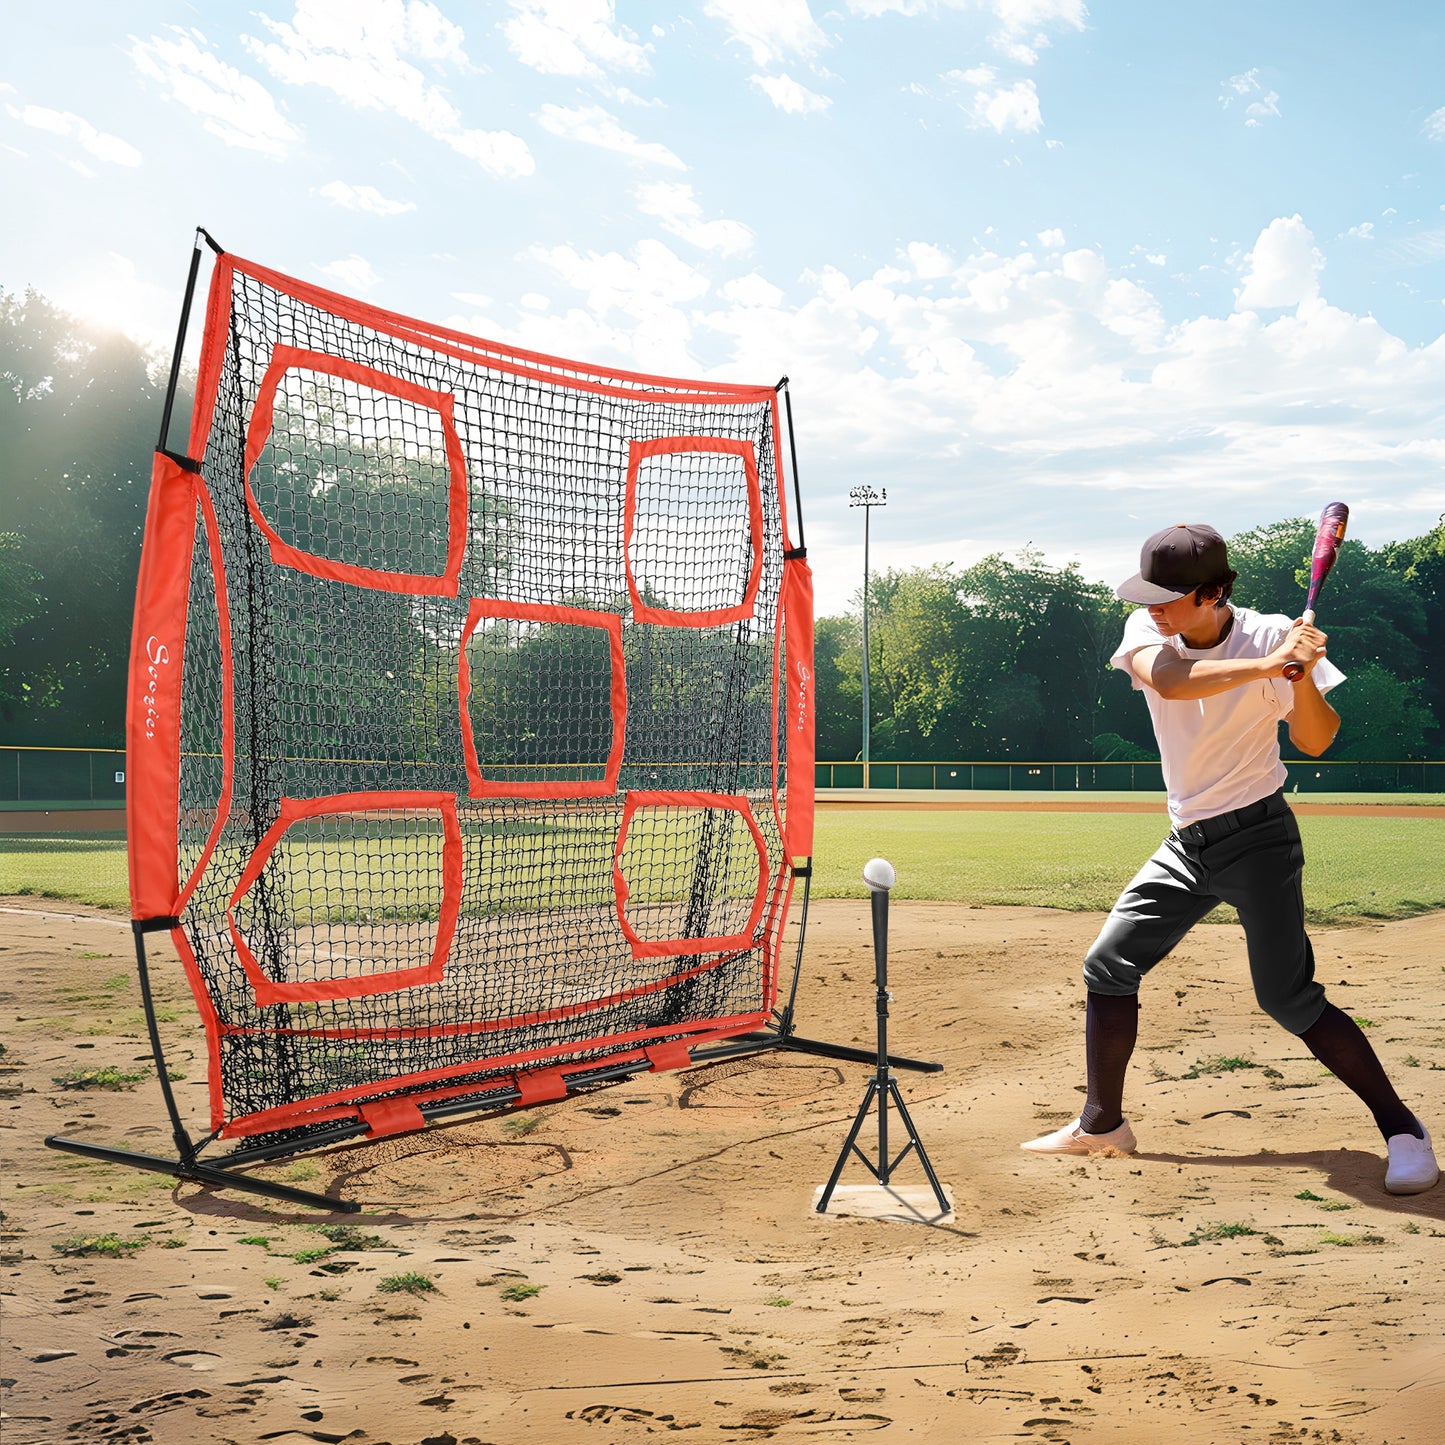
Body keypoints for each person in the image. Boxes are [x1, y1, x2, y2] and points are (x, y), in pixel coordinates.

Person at [1021, 522, 1438, 1195]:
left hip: (1258, 838)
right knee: (1108, 964)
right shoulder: (1150, 634)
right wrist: (1271, 665)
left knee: (1287, 995)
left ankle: (1402, 1129)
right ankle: (1101, 1124)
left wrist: (1297, 676)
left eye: (1167, 594)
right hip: (1185, 841)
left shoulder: (1272, 634)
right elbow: (1174, 680)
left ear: (1212, 592)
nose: (1152, 606)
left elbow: (1315, 739)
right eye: (1147, 594)